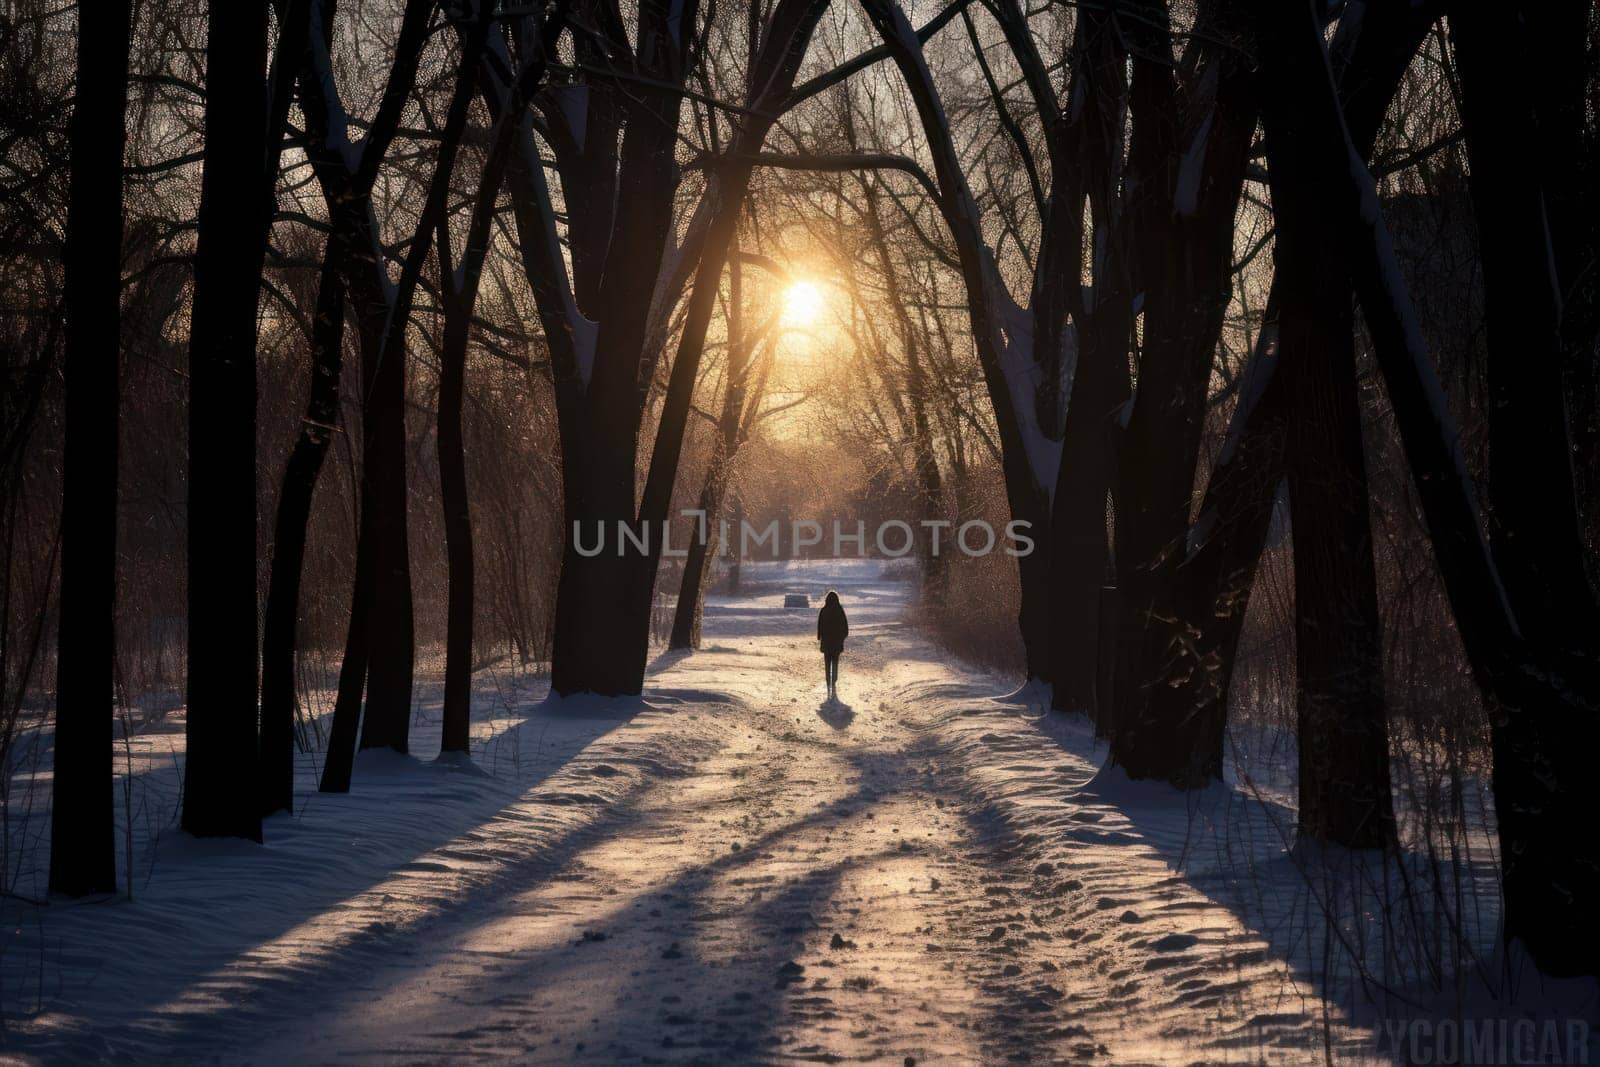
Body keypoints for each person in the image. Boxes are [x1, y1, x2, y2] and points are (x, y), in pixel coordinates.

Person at [817, 590, 848, 698]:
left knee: (827, 662)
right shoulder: (840, 611)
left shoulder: (824, 610)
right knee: (835, 661)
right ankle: (834, 680)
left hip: (826, 642)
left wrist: (820, 637)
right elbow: (845, 628)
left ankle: (828, 680)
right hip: (836, 643)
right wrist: (841, 638)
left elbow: (819, 626)